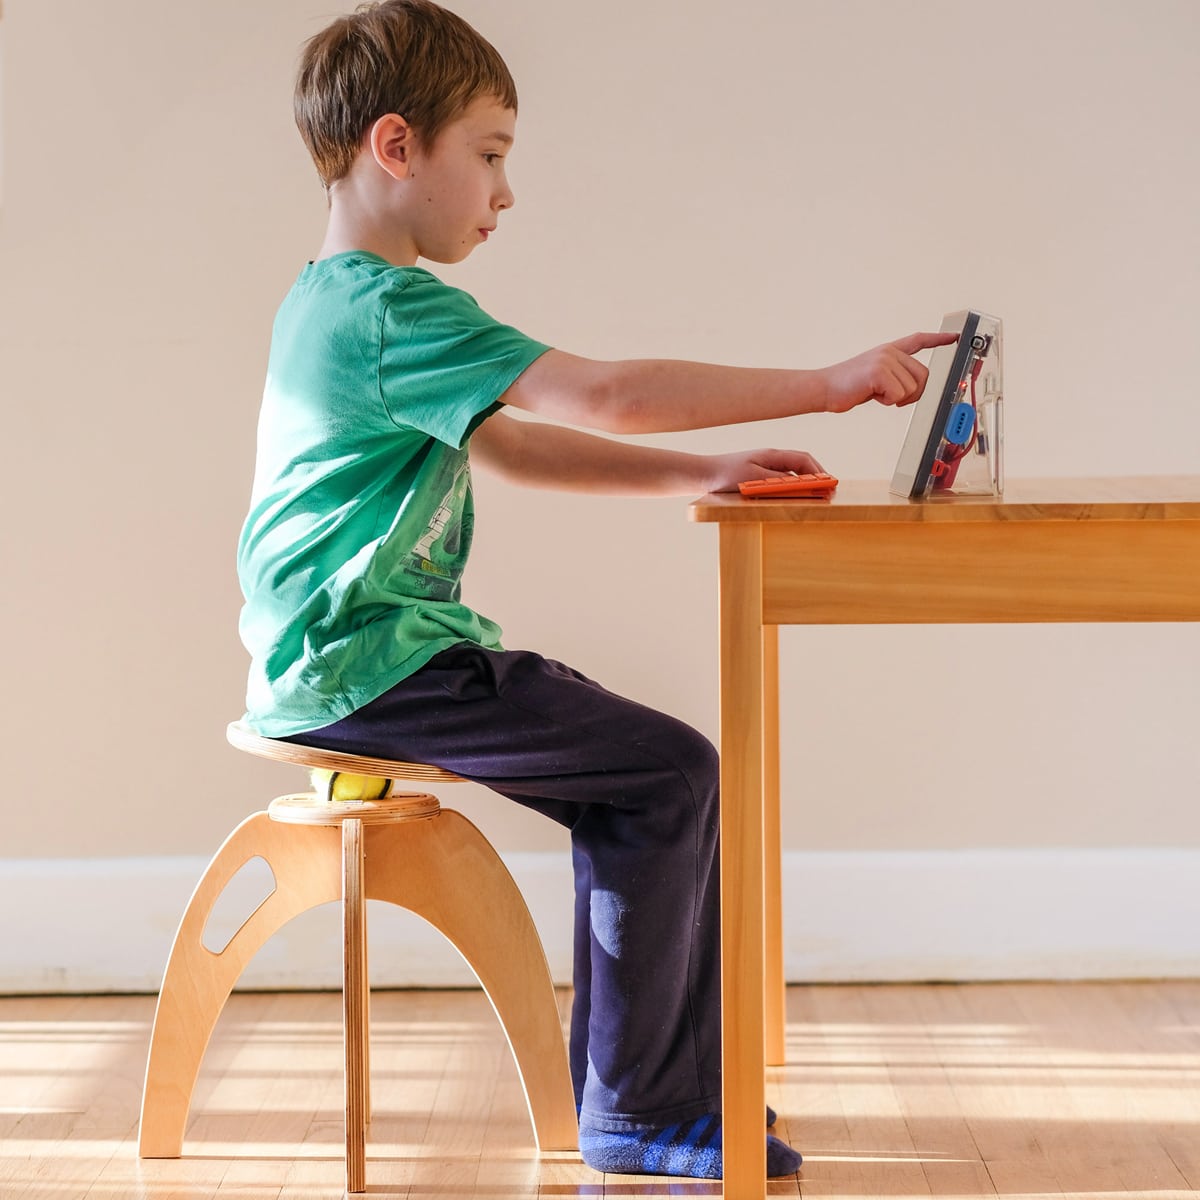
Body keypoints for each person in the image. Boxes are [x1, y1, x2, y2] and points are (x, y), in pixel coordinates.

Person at [236, 0, 955, 1180]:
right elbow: (607, 393)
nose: (504, 193)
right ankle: (642, 1106)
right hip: (365, 662)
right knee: (667, 775)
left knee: (660, 774)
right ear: (397, 147)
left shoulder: (330, 301)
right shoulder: (388, 307)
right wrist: (825, 385)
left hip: (353, 651)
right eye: (493, 155)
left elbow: (513, 445)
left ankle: (663, 1087)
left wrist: (704, 469)